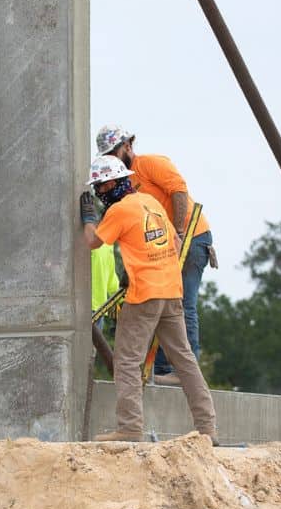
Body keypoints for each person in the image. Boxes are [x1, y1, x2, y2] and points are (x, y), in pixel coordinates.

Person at [80, 155, 216, 443]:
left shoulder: (119, 211)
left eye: (100, 189)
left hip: (144, 294)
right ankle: (207, 430)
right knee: (185, 360)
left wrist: (89, 219)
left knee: (127, 361)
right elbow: (176, 243)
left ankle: (129, 428)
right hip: (171, 290)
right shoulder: (150, 202)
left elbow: (93, 242)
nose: (99, 195)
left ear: (114, 183)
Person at [95, 125, 215, 386]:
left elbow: (179, 190)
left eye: (114, 153)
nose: (111, 160)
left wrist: (181, 232)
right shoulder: (124, 185)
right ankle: (163, 370)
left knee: (182, 303)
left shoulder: (149, 164)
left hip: (191, 237)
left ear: (127, 146)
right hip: (163, 244)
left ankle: (183, 370)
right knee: (163, 304)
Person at [91, 243, 119, 334]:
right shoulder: (87, 235)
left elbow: (111, 276)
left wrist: (123, 299)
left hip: (100, 309)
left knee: (93, 347)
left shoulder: (109, 243)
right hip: (83, 307)